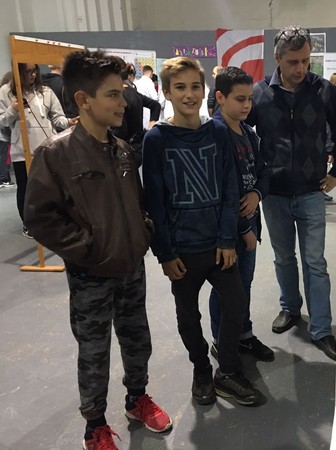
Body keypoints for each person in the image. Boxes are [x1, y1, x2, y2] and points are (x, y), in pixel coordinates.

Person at [22, 49, 172, 450]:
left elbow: (137, 201)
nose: (123, 103)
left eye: (122, 93)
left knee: (137, 340)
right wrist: (86, 249)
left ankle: (137, 399)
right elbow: (39, 216)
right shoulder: (56, 154)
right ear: (83, 99)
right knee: (94, 352)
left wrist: (142, 231)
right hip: (91, 275)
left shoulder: (122, 149)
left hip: (131, 267)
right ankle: (95, 425)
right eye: (113, 95)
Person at [143, 56, 263, 406]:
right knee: (187, 315)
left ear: (205, 90)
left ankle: (228, 371)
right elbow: (155, 200)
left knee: (236, 303)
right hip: (182, 250)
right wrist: (165, 253)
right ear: (167, 92)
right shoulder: (157, 139)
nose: (189, 94)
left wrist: (227, 238)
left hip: (218, 245)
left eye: (195, 86)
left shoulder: (217, 132)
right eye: (180, 87)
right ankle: (200, 369)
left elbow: (229, 189)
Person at [246, 26, 336, 361]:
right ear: (277, 59)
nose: (301, 68)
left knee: (315, 262)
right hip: (274, 193)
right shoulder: (260, 93)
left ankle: (321, 328)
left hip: (311, 192)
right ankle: (290, 308)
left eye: (306, 60)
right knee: (283, 257)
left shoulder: (323, 90)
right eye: (293, 61)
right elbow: (238, 130)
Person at [207, 66, 273, 362]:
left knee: (243, 283)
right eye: (239, 99)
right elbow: (222, 190)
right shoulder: (215, 134)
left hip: (250, 222)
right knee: (226, 288)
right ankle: (222, 340)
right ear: (221, 97)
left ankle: (242, 334)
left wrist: (257, 193)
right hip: (228, 229)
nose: (247, 105)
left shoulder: (248, 133)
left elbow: (263, 173)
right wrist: (244, 227)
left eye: (249, 99)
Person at [0, 63, 75, 238]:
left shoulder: (45, 91)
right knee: (26, 189)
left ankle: (52, 220)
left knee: (52, 187)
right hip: (22, 150)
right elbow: (2, 121)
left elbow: (57, 117)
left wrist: (68, 122)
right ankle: (28, 224)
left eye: (35, 71)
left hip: (47, 148)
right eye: (28, 72)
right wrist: (13, 110)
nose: (32, 75)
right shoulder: (5, 92)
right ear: (18, 71)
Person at [111, 62, 161, 167]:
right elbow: (156, 105)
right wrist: (150, 128)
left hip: (124, 151)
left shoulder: (120, 96)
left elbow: (121, 131)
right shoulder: (134, 92)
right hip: (137, 147)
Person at [134, 65, 159, 129]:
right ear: (151, 73)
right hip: (147, 108)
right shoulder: (149, 82)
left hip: (138, 109)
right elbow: (155, 97)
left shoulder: (137, 82)